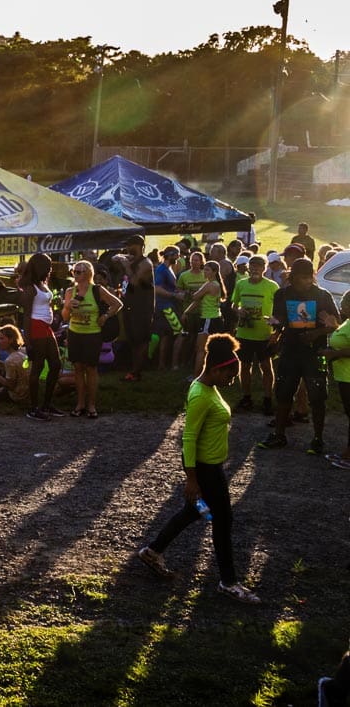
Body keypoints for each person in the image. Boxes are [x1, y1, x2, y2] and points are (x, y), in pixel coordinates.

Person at [136, 333, 261, 604]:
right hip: (206, 470)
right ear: (216, 369)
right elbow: (189, 438)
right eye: (230, 375)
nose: (232, 381)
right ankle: (228, 582)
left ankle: (152, 552)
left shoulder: (206, 387)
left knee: (192, 512)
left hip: (211, 466)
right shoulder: (201, 395)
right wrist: (191, 479)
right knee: (223, 522)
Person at [257, 258, 338, 453]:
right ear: (292, 277)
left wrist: (317, 333)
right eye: (303, 278)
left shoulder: (322, 295)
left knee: (317, 396)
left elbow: (336, 323)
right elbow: (280, 319)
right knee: (283, 393)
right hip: (290, 351)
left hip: (315, 353)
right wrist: (276, 326)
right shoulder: (282, 294)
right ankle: (279, 435)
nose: (307, 281)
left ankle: (318, 440)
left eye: (309, 277)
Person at [61, 260, 122, 418]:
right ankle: (80, 404)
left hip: (92, 334)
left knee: (91, 368)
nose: (76, 275)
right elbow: (65, 317)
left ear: (88, 274)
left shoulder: (97, 290)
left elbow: (117, 304)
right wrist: (68, 307)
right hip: (74, 333)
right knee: (78, 368)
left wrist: (105, 316)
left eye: (79, 272)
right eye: (74, 272)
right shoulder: (70, 291)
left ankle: (91, 405)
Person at [231, 254, 280, 414]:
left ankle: (267, 399)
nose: (255, 270)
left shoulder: (272, 286)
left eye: (258, 267)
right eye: (252, 267)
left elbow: (280, 309)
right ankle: (247, 398)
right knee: (244, 366)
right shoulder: (241, 284)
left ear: (264, 269)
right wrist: (239, 311)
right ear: (248, 268)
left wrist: (276, 329)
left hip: (264, 334)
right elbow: (233, 305)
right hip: (244, 332)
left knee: (266, 366)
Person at [19, 253, 64, 421]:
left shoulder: (42, 284)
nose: (50, 270)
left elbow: (46, 303)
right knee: (37, 367)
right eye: (48, 267)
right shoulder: (30, 288)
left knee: (55, 364)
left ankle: (46, 404)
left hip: (46, 327)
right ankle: (33, 408)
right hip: (36, 327)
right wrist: (28, 341)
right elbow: (26, 315)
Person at [321, 291, 350, 468]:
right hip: (344, 375)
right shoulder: (348, 321)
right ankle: (347, 452)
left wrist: (334, 354)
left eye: (345, 303)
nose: (342, 306)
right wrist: (334, 326)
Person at [120, 235, 155, 382]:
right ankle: (133, 370)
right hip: (130, 306)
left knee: (141, 340)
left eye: (130, 245)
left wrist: (126, 266)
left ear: (139, 246)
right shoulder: (132, 261)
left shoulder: (146, 263)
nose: (128, 248)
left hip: (142, 308)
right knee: (133, 340)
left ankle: (137, 372)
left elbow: (134, 281)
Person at [185, 262, 226, 376]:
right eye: (204, 269)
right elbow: (198, 300)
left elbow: (195, 297)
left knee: (200, 350)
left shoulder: (210, 285)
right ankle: (209, 374)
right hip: (215, 318)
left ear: (214, 272)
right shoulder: (213, 284)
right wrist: (186, 312)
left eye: (207, 270)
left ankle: (196, 376)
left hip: (209, 319)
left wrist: (187, 292)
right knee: (209, 349)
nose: (204, 272)